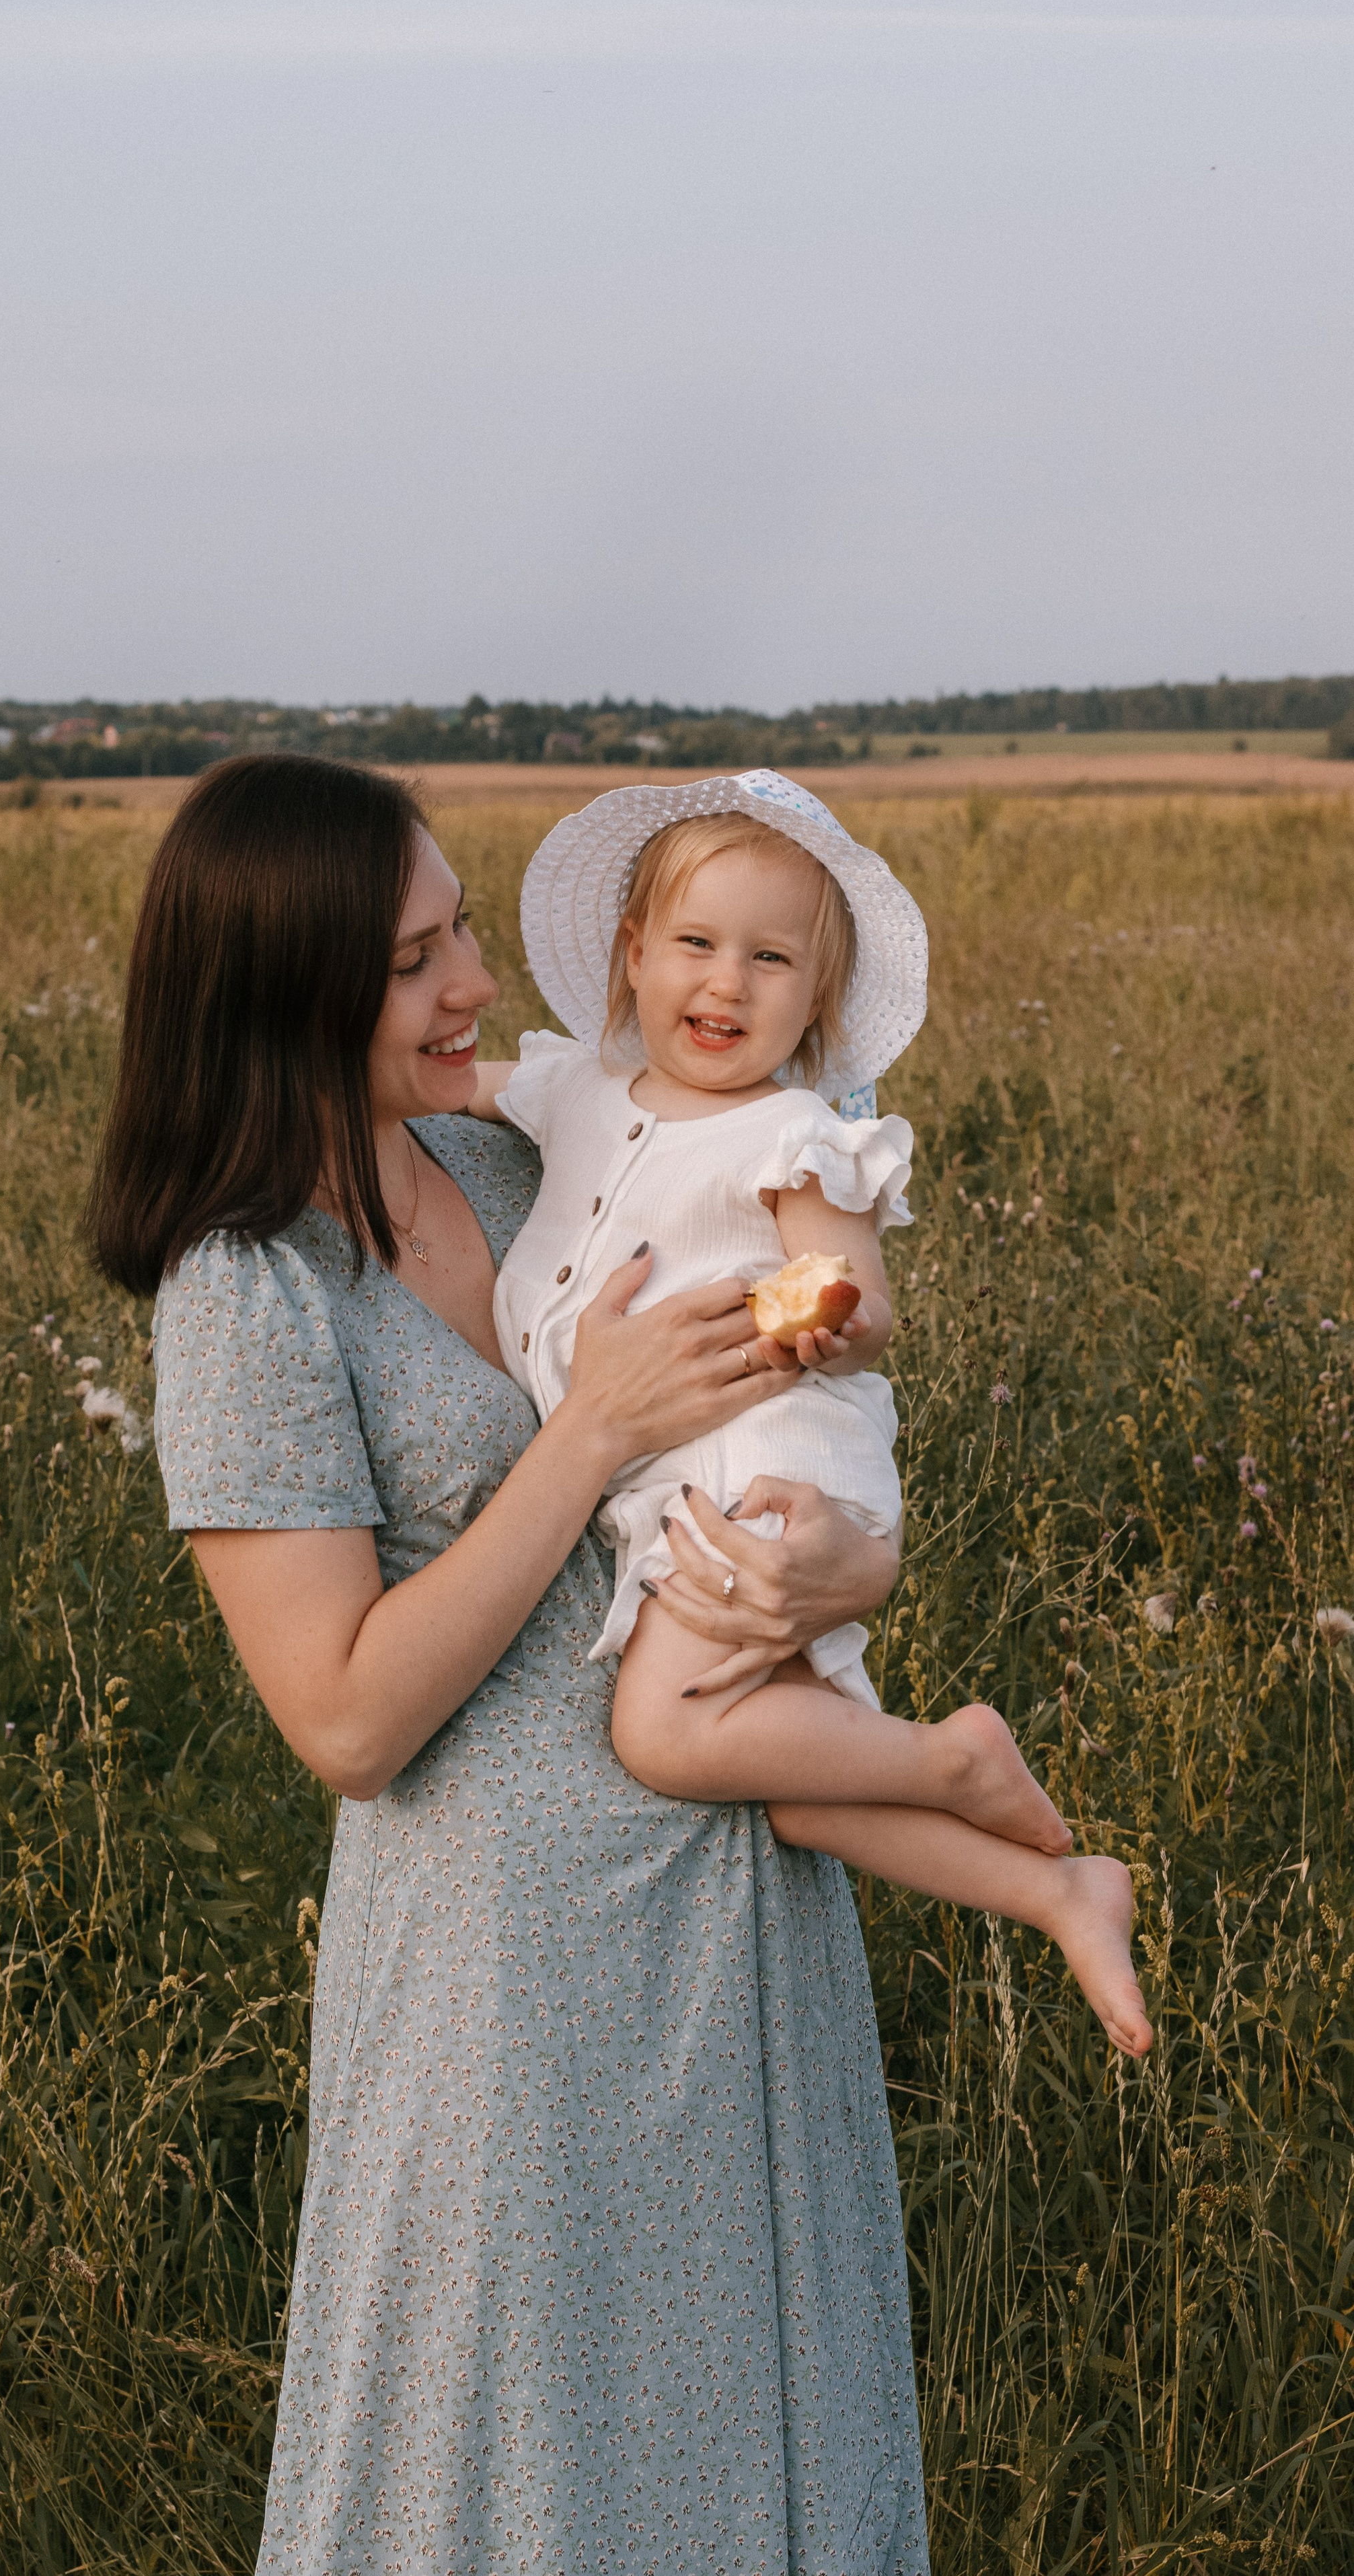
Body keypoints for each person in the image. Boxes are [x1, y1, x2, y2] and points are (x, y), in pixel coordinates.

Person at [88, 753, 931, 2573]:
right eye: (414, 961)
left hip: (737, 1883)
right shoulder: (248, 1291)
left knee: (762, 2425)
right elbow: (346, 1719)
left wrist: (855, 1559)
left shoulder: (508, 1153)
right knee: (519, 2474)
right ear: (285, 989)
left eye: (459, 928)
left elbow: (796, 1400)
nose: (476, 982)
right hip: (510, 1983)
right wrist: (583, 1433)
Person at [469, 769, 1152, 2060]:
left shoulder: (794, 1135)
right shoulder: (577, 1089)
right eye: (696, 944)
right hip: (675, 1476)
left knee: (666, 1732)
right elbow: (435, 1084)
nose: (726, 984)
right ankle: (1062, 1891)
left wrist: (834, 1317)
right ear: (633, 952)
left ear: (818, 998)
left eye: (771, 960)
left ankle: (951, 1761)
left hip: (764, 1461)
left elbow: (865, 1300)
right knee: (796, 1792)